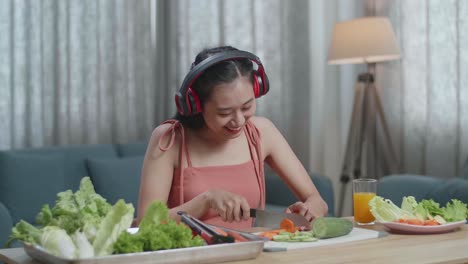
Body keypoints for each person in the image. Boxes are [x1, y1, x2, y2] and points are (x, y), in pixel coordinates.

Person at [137, 46, 328, 229]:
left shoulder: (262, 132)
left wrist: (309, 211)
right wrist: (205, 201)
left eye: (246, 107)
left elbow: (317, 201)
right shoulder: (168, 140)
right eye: (224, 112)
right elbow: (145, 223)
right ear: (195, 104)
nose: (238, 121)